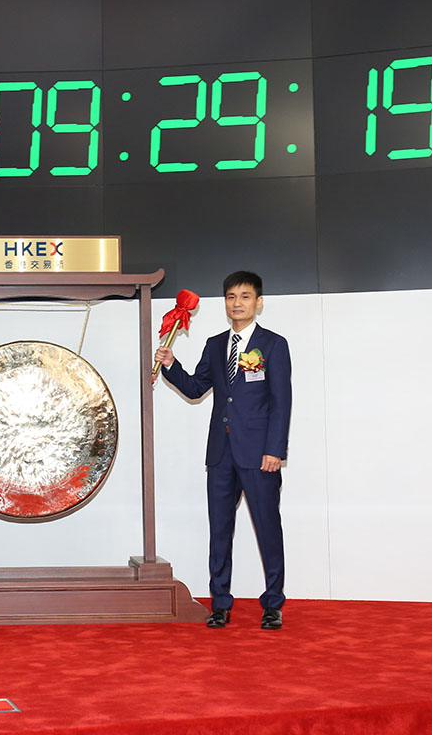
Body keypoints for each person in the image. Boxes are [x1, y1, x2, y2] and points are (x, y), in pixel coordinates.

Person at [155, 270, 291, 630]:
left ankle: (273, 604)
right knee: (219, 531)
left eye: (245, 297)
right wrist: (171, 365)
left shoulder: (273, 344)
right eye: (231, 297)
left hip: (260, 455)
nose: (237, 303)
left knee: (268, 528)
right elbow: (196, 388)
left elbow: (281, 402)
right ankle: (220, 604)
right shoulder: (215, 345)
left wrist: (275, 450)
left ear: (259, 302)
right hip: (220, 455)